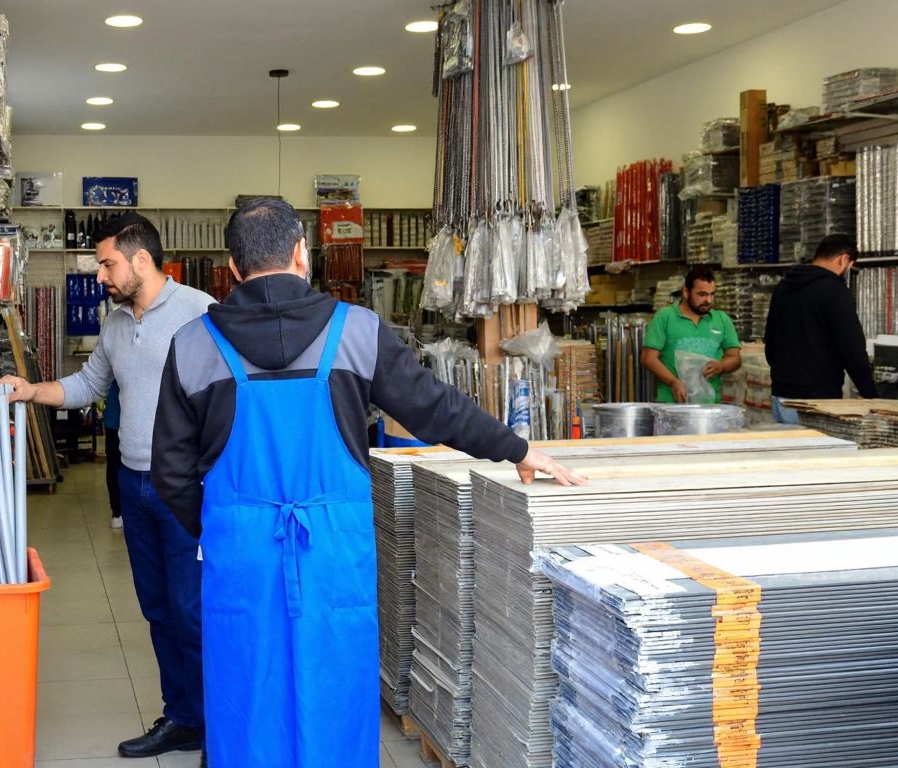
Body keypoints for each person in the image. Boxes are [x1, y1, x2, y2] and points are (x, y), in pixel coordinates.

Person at [150, 198, 584, 768]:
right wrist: (519, 450)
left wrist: (224, 522)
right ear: (303, 254)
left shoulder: (192, 343)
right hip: (334, 548)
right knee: (334, 689)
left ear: (232, 269)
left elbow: (170, 472)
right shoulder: (356, 331)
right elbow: (436, 409)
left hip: (240, 552)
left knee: (246, 689)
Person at [0, 213, 214, 761]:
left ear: (141, 260)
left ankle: (220, 721)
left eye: (107, 263)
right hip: (134, 485)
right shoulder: (117, 323)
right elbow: (88, 384)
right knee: (158, 610)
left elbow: (231, 399)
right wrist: (29, 390)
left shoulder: (201, 313)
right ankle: (183, 717)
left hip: (186, 489)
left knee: (194, 611)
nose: (100, 274)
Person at [763, 234, 877, 423]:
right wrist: (872, 395)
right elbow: (851, 348)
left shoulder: (784, 287)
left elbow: (771, 342)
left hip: (782, 395)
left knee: (787, 451)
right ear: (844, 259)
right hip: (818, 400)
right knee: (818, 450)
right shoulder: (835, 291)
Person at [640, 265, 742, 403]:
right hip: (672, 406)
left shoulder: (722, 320)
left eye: (712, 294)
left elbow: (734, 358)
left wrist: (722, 365)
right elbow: (648, 358)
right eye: (702, 294)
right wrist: (673, 382)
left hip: (711, 406)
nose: (709, 301)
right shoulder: (665, 317)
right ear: (686, 292)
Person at [103, 381, 123, 529]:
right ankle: (117, 512)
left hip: (136, 422)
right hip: (115, 420)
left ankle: (120, 512)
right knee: (115, 467)